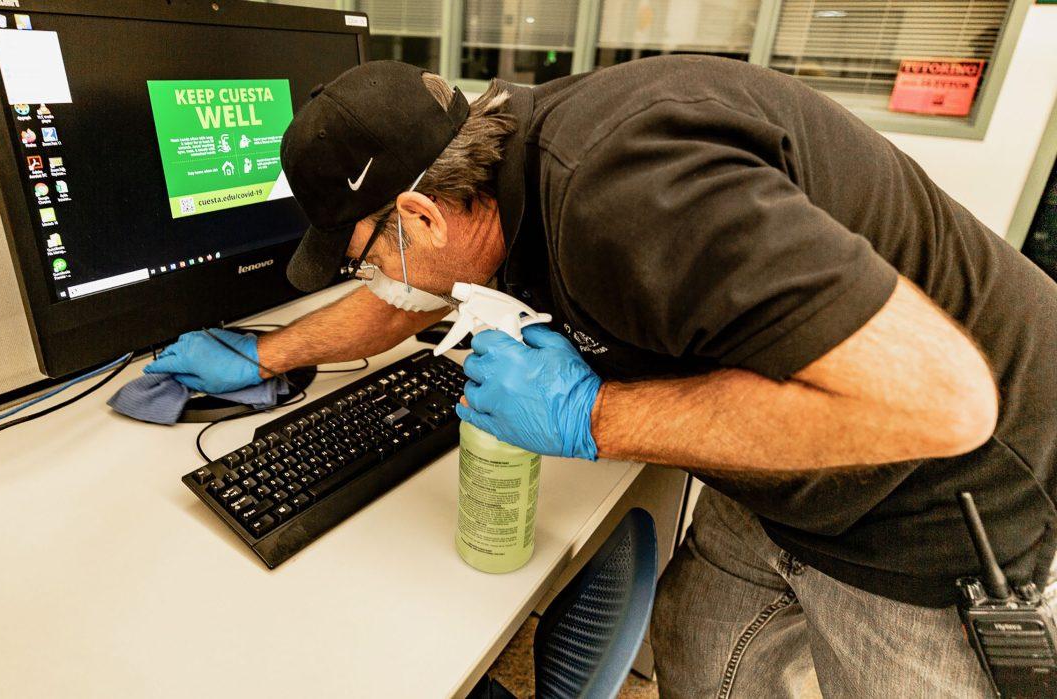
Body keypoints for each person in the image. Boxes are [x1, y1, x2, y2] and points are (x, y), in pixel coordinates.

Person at [147, 59, 1057, 696]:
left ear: (419, 214)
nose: (368, 281)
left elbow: (944, 404)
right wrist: (265, 354)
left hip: (949, 498)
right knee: (704, 655)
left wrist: (595, 415)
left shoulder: (629, 196)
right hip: (793, 472)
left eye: (358, 258)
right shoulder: (503, 154)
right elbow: (417, 285)